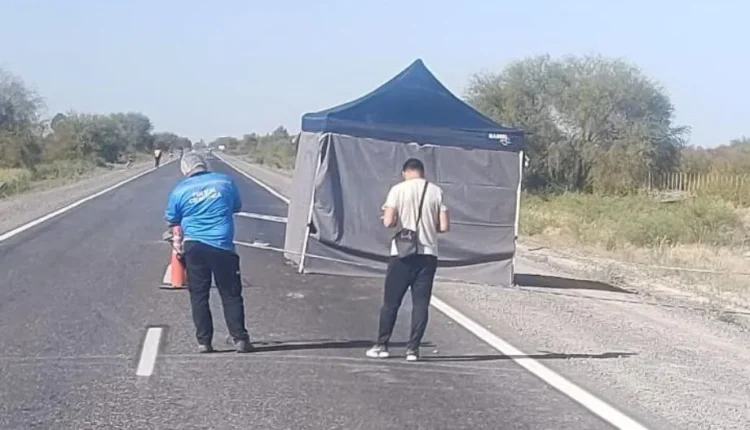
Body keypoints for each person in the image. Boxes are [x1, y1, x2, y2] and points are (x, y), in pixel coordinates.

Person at [164, 152, 253, 353]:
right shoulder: (225, 182)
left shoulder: (180, 190)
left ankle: (204, 341)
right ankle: (240, 338)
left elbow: (172, 218)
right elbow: (236, 206)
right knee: (230, 294)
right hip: (222, 246)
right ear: (203, 165)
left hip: (194, 246)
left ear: (185, 170)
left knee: (199, 294)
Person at [366, 158, 450, 362]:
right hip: (428, 254)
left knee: (391, 302)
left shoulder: (397, 190)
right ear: (422, 172)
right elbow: (444, 226)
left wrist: (393, 219)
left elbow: (388, 222)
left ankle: (382, 345)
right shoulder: (436, 191)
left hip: (402, 254)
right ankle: (413, 349)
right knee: (420, 304)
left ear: (405, 172)